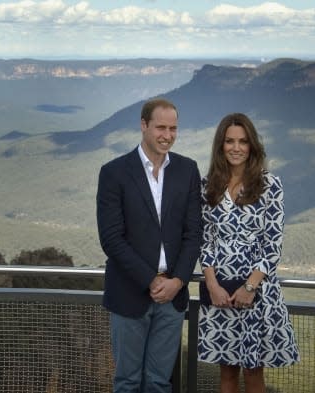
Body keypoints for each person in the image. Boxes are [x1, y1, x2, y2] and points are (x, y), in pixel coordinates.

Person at [96, 97, 202, 393]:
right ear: (143, 126)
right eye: (160, 127)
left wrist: (177, 281)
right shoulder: (114, 172)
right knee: (127, 383)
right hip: (130, 293)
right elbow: (111, 239)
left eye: (173, 128)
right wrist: (151, 280)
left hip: (172, 296)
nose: (167, 135)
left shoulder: (187, 170)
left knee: (158, 383)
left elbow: (194, 233)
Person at [197, 113, 300, 393]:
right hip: (219, 295)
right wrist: (212, 284)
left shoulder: (269, 185)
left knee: (254, 375)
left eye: (243, 141)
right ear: (220, 146)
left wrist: (250, 287)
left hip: (256, 294)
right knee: (227, 375)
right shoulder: (208, 186)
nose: (236, 147)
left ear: (252, 146)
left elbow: (272, 241)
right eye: (229, 141)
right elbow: (205, 241)